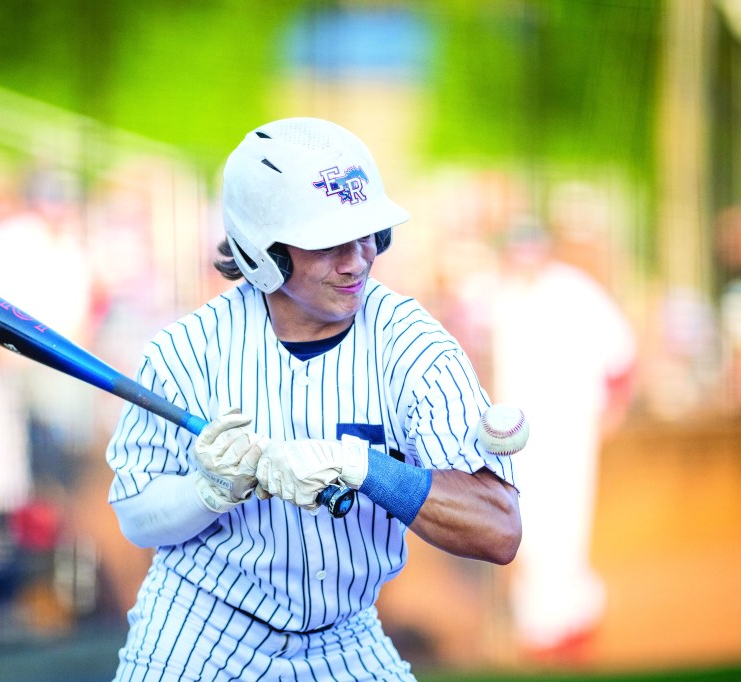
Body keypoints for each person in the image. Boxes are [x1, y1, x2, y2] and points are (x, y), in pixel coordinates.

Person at [104, 117, 521, 681]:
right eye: (328, 243)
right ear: (263, 252)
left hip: (346, 635)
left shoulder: (413, 346)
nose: (357, 260)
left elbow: (499, 530)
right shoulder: (186, 352)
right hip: (200, 633)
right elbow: (136, 517)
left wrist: (363, 467)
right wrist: (207, 491)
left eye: (368, 233)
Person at [488, 216, 636, 661]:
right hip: (517, 434)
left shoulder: (574, 290)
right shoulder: (502, 295)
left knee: (565, 524)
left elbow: (621, 353)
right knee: (525, 524)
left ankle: (566, 621)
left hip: (570, 427)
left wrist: (615, 407)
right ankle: (545, 621)